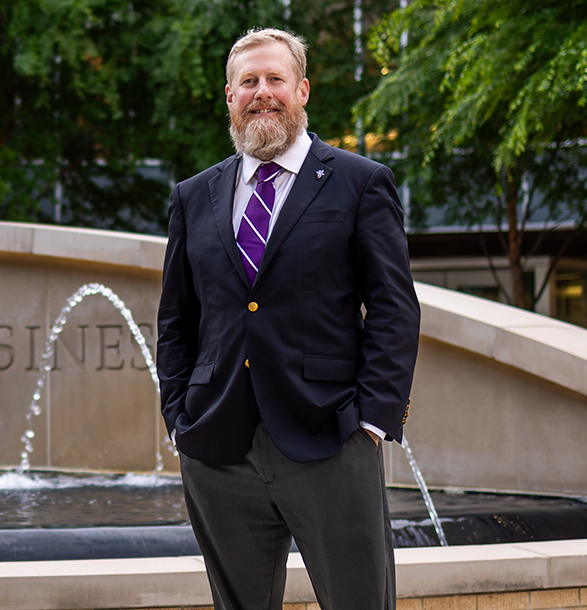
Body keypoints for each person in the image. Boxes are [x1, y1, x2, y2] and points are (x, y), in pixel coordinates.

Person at [155, 27, 419, 610]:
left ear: (302, 90)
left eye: (275, 79)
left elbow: (395, 306)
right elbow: (176, 317)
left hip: (330, 438)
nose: (262, 92)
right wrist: (179, 420)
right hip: (219, 446)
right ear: (229, 96)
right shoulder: (193, 196)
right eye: (248, 82)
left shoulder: (359, 182)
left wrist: (373, 420)